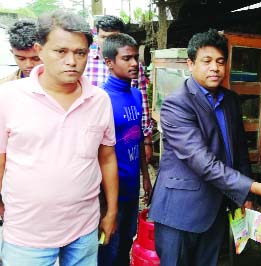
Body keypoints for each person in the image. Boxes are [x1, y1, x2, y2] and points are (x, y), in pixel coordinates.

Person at [149, 29, 261, 266]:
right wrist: (258, 187)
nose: (215, 68)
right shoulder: (176, 104)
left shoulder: (230, 99)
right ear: (190, 64)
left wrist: (247, 195)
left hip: (217, 207)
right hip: (180, 211)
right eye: (206, 61)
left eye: (220, 61)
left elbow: (239, 152)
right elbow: (202, 162)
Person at [0, 10, 119, 265]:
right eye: (60, 51)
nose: (72, 61)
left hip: (83, 229)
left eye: (80, 53)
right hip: (26, 233)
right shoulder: (8, 97)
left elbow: (107, 157)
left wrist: (111, 211)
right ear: (39, 50)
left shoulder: (99, 100)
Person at [98, 33, 152, 266]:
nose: (134, 64)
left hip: (131, 188)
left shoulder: (136, 94)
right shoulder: (101, 99)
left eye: (136, 58)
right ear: (109, 62)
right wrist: (103, 204)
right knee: (107, 248)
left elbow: (137, 137)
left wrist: (146, 178)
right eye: (127, 58)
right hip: (108, 193)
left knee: (126, 244)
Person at [84, 15, 154, 163]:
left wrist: (147, 139)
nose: (108, 42)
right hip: (94, 137)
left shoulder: (134, 65)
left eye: (114, 37)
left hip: (126, 134)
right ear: (97, 35)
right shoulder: (85, 60)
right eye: (103, 37)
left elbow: (143, 102)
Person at [0, 19, 42, 84]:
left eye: (36, 59)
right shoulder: (4, 87)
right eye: (21, 59)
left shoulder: (61, 85)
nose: (28, 65)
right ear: (12, 52)